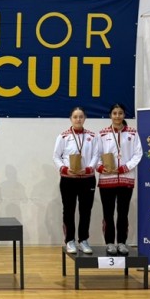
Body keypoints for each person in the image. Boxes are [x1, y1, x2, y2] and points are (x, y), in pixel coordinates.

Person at [97, 103, 143, 255]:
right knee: (108, 213)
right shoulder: (102, 134)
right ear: (110, 115)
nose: (117, 116)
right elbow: (96, 155)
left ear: (124, 115)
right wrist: (100, 168)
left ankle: (122, 242)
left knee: (123, 213)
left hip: (126, 179)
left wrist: (125, 167)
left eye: (120, 113)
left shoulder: (133, 133)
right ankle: (110, 243)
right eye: (115, 113)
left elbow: (138, 154)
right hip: (106, 180)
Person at [53, 107, 99, 254]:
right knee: (69, 210)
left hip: (87, 179)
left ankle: (83, 240)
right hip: (68, 180)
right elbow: (56, 156)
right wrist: (64, 169)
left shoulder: (92, 136)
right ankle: (70, 240)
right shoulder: (63, 136)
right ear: (70, 119)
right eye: (75, 117)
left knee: (85, 211)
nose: (78, 119)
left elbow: (96, 155)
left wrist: (89, 168)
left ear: (85, 118)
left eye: (81, 116)